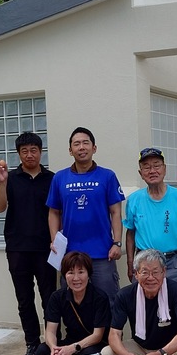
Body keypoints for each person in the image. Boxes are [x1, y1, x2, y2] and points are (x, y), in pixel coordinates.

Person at [0, 132, 57, 355]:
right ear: (18, 154)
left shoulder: (52, 179)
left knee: (50, 297)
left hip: (46, 248)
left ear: (41, 152)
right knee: (24, 299)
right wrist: (2, 183)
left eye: (34, 150)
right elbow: (0, 207)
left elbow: (58, 212)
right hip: (18, 247)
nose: (30, 154)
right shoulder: (10, 178)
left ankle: (52, 344)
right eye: (25, 151)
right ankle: (32, 344)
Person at [47, 127, 125, 307]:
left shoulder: (108, 176)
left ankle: (110, 336)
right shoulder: (60, 178)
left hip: (102, 253)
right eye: (76, 144)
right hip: (70, 254)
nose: (81, 147)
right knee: (72, 303)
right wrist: (54, 241)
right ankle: (79, 336)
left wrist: (117, 242)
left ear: (94, 148)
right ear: (70, 150)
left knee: (109, 301)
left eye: (85, 143)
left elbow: (116, 212)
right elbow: (53, 212)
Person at [123, 147, 177, 294]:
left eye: (156, 165)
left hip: (175, 262)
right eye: (146, 167)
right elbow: (130, 234)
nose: (152, 171)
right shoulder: (134, 200)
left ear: (164, 169)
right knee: (146, 311)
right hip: (145, 264)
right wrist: (130, 264)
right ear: (141, 173)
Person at [33, 251, 110, 355]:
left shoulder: (100, 297)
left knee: (88, 354)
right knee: (42, 350)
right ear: (65, 275)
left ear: (88, 274)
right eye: (70, 273)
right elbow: (50, 331)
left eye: (81, 272)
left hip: (92, 344)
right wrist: (54, 348)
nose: (76, 278)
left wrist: (73, 348)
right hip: (70, 341)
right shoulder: (57, 297)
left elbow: (97, 335)